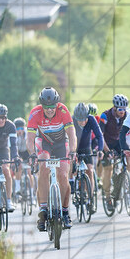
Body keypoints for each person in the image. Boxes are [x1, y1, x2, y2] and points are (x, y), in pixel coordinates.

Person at [27, 87, 78, 230]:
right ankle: (43, 210)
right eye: (46, 107)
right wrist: (32, 153)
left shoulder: (63, 111)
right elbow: (30, 138)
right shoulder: (35, 113)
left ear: (57, 104)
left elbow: (72, 133)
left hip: (61, 143)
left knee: (63, 175)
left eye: (52, 107)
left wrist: (73, 151)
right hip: (44, 144)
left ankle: (65, 211)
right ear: (42, 106)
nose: (50, 110)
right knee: (43, 167)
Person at [100, 94, 130, 209]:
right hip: (106, 143)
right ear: (114, 108)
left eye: (124, 109)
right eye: (120, 109)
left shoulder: (127, 115)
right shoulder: (105, 115)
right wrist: (107, 151)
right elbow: (100, 136)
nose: (122, 112)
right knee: (108, 169)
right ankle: (108, 198)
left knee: (129, 157)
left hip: (118, 142)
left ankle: (126, 177)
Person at [72, 102, 104, 205]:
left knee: (90, 170)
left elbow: (99, 136)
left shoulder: (91, 119)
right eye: (79, 120)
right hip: (74, 148)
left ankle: (90, 198)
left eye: (84, 119)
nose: (82, 122)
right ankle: (76, 186)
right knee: (74, 170)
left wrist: (100, 150)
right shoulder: (71, 121)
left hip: (86, 148)